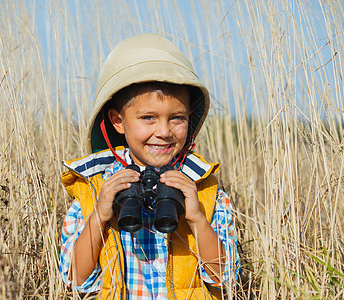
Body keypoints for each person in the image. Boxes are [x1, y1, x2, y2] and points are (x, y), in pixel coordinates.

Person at [59, 33, 239, 299]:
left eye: (177, 118)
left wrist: (196, 218)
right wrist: (99, 216)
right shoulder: (95, 190)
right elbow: (75, 280)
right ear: (118, 121)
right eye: (148, 118)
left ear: (189, 118)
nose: (164, 131)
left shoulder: (205, 192)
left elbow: (225, 278)